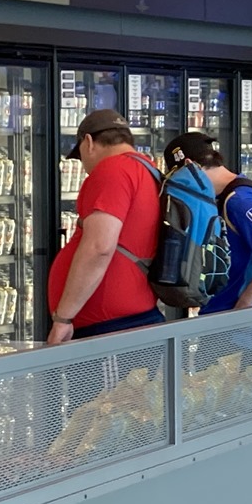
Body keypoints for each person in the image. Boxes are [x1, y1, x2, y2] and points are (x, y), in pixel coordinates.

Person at [47, 109, 163, 344]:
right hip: (135, 315)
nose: (84, 166)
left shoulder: (112, 170)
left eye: (80, 156)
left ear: (89, 142)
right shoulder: (148, 169)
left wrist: (63, 318)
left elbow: (99, 247)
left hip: (108, 326)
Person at [162, 132, 252, 315]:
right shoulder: (225, 195)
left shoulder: (238, 201)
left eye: (178, 178)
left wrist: (246, 301)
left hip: (241, 324)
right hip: (229, 317)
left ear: (190, 165)